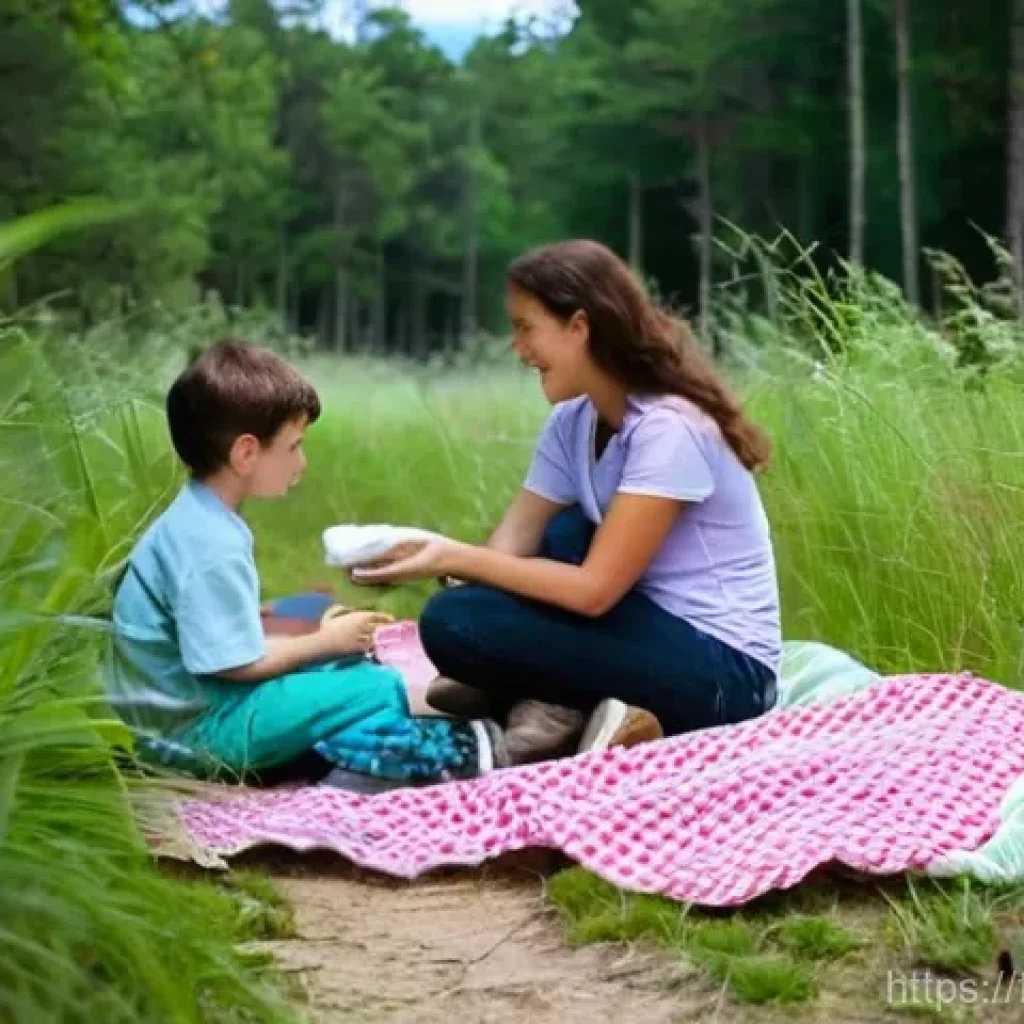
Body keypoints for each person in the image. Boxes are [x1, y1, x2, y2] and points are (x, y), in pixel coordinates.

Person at [353, 239, 781, 761]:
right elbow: (514, 545)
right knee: (554, 543)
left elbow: (595, 591)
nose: (518, 348)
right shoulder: (572, 423)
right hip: (644, 632)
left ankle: (544, 695)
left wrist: (453, 556)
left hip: (725, 674)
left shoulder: (670, 428)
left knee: (455, 621)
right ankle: (556, 697)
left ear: (579, 327)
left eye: (526, 327)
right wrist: (417, 555)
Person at [105, 340, 506, 785]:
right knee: (375, 686)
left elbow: (212, 628)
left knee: (333, 656)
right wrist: (325, 641)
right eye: (294, 446)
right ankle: (433, 755)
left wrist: (310, 624)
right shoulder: (210, 546)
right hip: (193, 735)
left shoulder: (195, 516)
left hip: (179, 710)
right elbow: (235, 665)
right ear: (245, 453)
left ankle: (343, 748)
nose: (303, 461)